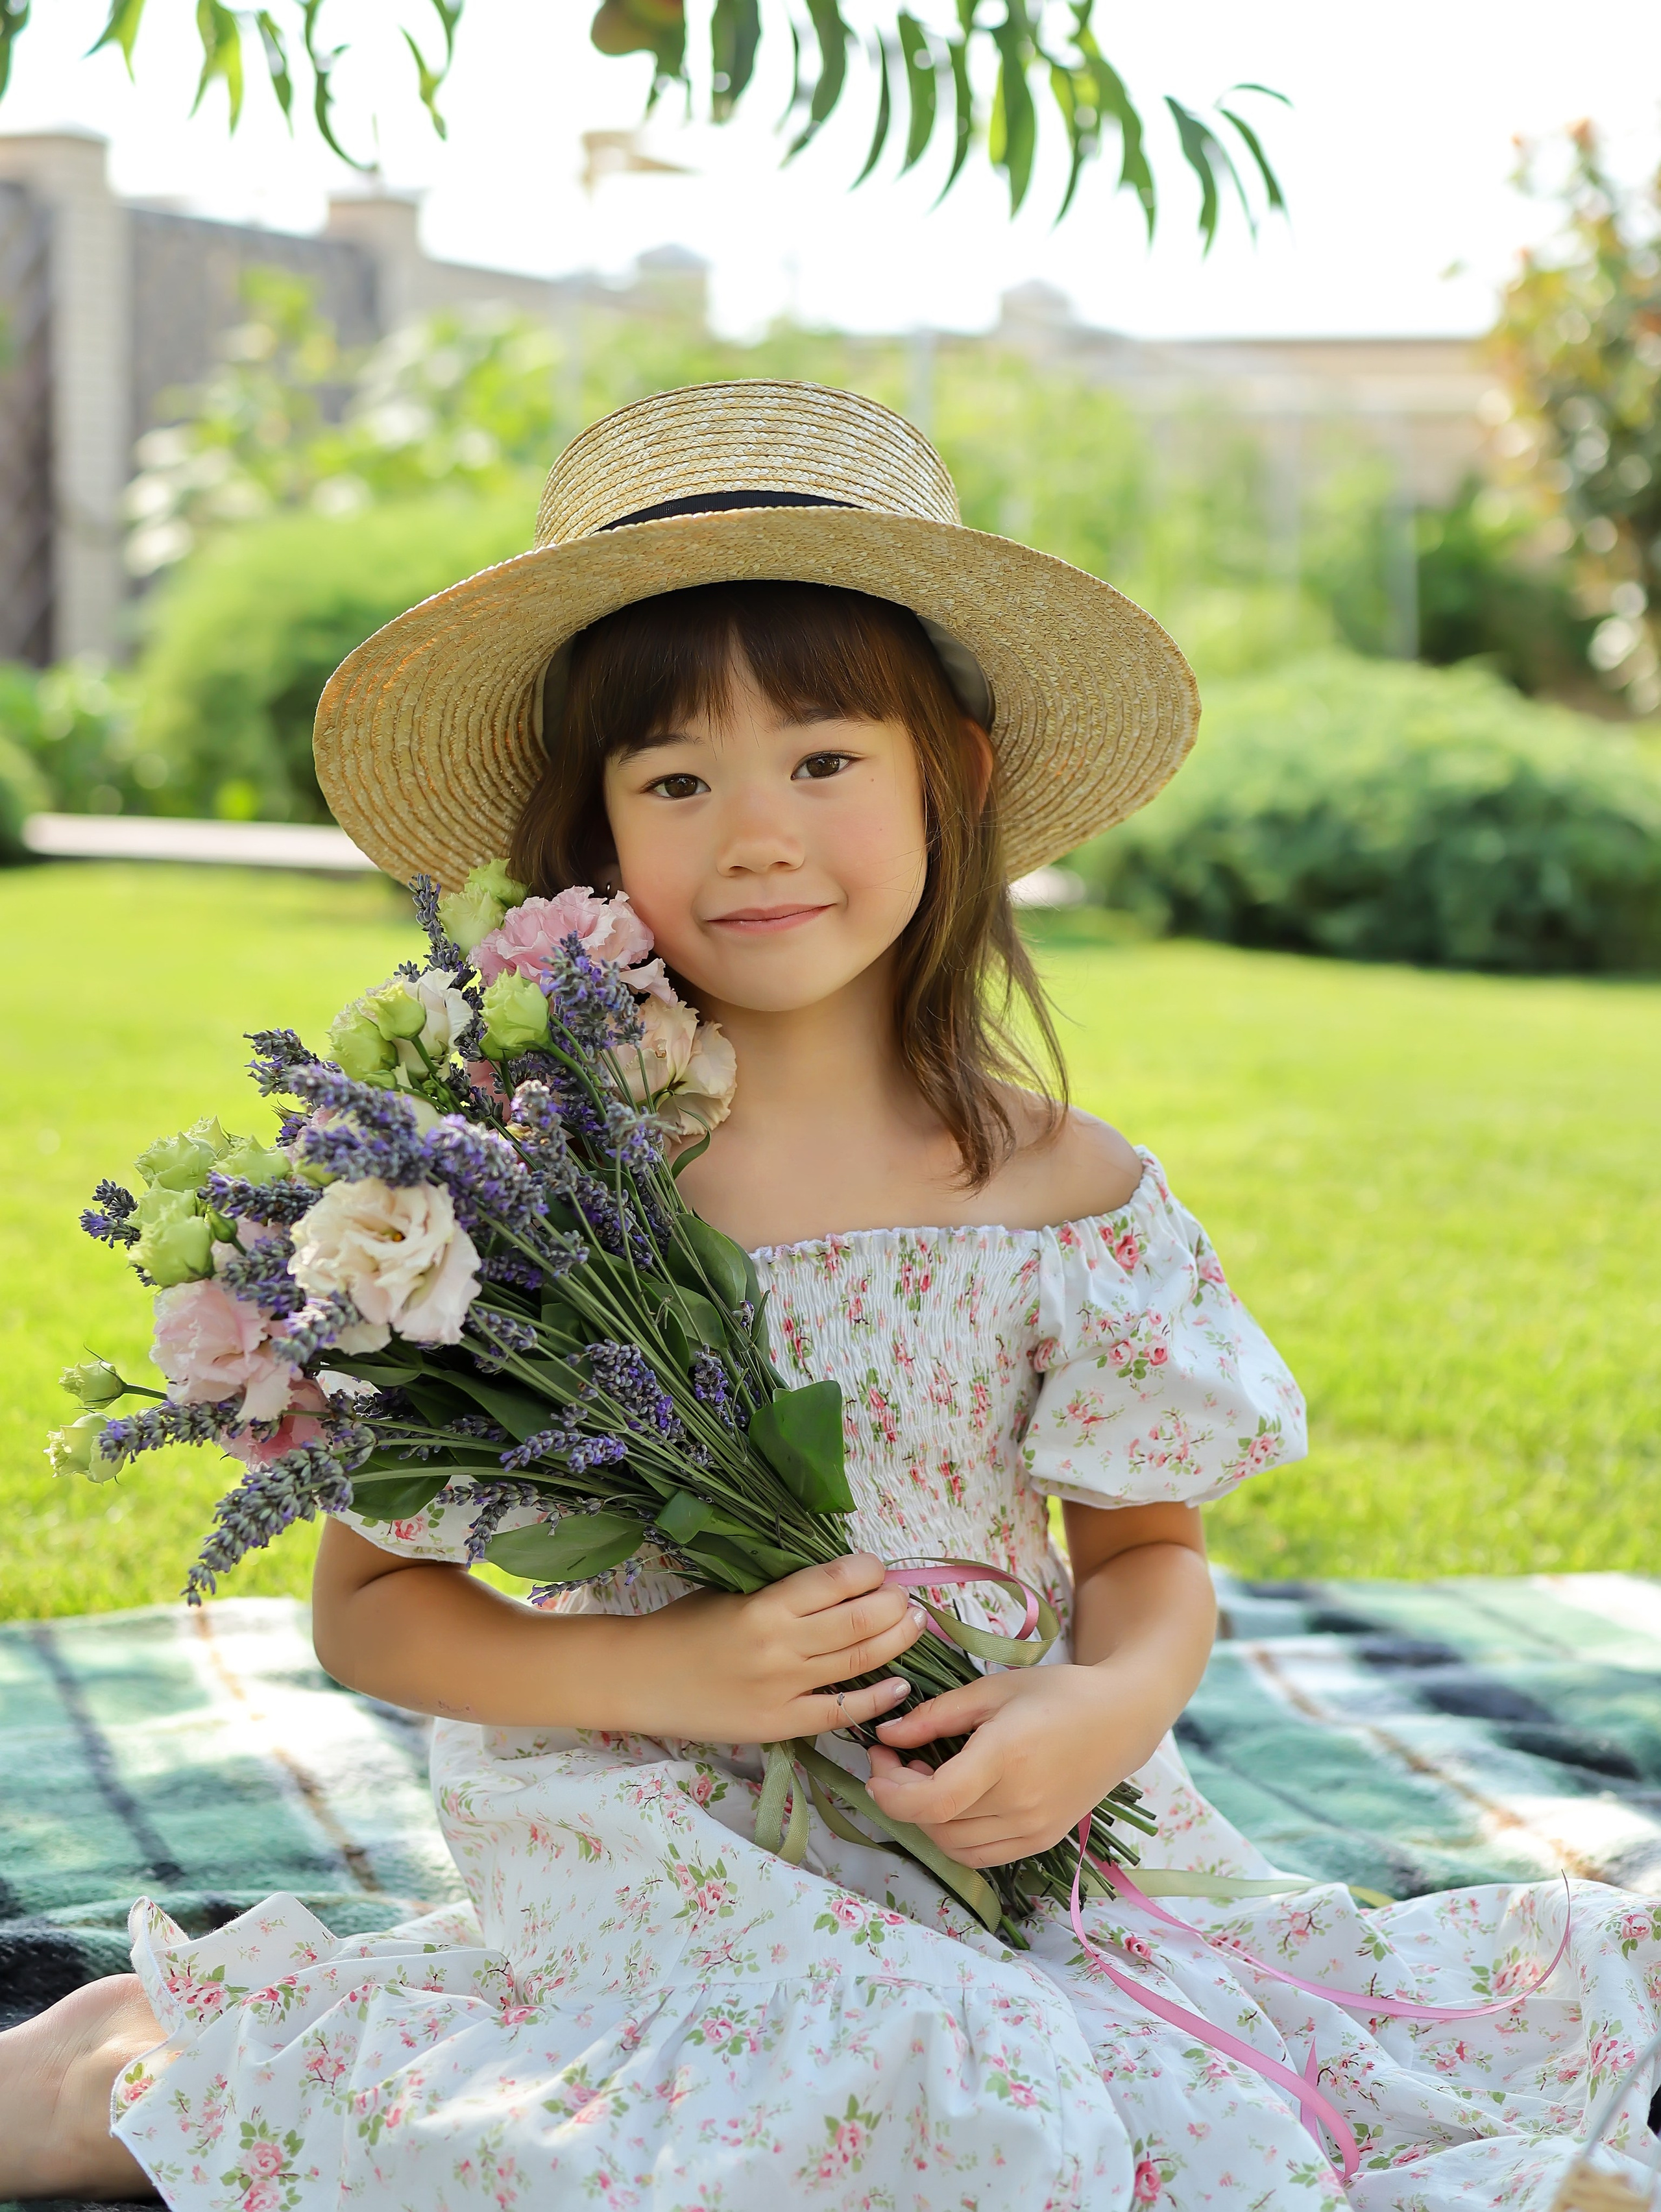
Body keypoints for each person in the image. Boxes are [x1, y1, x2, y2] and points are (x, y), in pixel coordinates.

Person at [3, 381, 1656, 2211]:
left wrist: (1094, 1720)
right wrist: (667, 1667)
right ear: (596, 831)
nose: (757, 832)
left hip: (998, 1802)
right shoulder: (520, 1205)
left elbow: (1145, 1560)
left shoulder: (1061, 1195)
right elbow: (377, 1613)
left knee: (1192, 2060)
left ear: (949, 772)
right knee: (934, 2100)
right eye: (676, 778)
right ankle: (158, 2078)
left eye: (823, 757)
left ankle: (168, 2061)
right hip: (653, 1832)